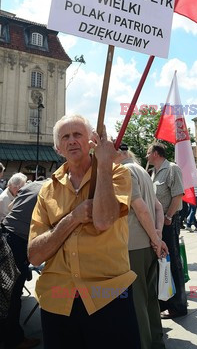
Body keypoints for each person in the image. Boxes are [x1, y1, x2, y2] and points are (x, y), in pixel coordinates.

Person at [28, 115, 141, 349]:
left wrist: (105, 165)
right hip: (57, 300)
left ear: (91, 141)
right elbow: (35, 255)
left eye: (78, 134)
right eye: (65, 137)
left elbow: (103, 220)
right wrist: (73, 217)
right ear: (58, 148)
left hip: (108, 296)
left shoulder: (118, 174)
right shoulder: (47, 190)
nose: (71, 141)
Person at [115, 144, 168, 349]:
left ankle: (144, 344)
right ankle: (156, 341)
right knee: (149, 298)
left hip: (133, 245)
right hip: (147, 244)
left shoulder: (124, 171)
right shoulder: (142, 171)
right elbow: (158, 207)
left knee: (137, 301)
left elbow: (141, 209)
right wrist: (158, 236)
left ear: (118, 153)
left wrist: (156, 239)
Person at [1, 180, 44, 349]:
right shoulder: (54, 189)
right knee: (12, 296)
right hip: (18, 242)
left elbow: (11, 207)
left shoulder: (32, 184)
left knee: (4, 292)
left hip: (4, 234)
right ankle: (15, 340)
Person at [146, 143, 187, 319]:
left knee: (173, 261)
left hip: (169, 221)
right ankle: (165, 302)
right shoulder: (154, 172)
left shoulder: (172, 169)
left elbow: (178, 195)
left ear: (156, 153)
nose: (146, 156)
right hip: (159, 222)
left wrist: (169, 217)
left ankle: (178, 306)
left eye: (148, 152)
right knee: (163, 262)